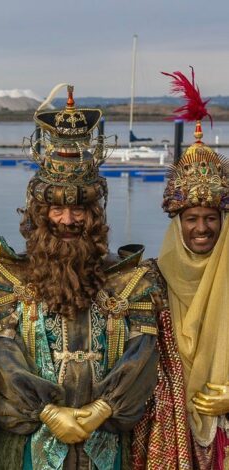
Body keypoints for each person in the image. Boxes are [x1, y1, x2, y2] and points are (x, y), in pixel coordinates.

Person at [0, 85, 162, 469]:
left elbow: (142, 354)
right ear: (39, 211)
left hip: (106, 442)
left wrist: (103, 408)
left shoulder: (130, 280)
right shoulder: (9, 280)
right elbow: (1, 358)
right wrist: (47, 412)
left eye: (80, 207)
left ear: (95, 214)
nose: (68, 220)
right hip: (32, 445)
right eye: (57, 209)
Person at [132, 70, 229, 469]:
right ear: (177, 221)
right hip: (166, 430)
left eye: (211, 217)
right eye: (191, 218)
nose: (202, 228)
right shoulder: (151, 280)